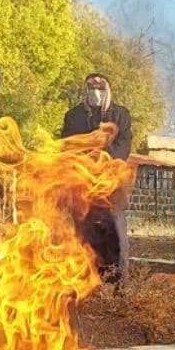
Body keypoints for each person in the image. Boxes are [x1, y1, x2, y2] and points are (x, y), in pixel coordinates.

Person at [60, 73, 134, 281]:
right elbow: (67, 146)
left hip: (111, 185)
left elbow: (124, 146)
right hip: (82, 185)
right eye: (91, 86)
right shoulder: (73, 116)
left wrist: (103, 157)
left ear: (108, 89)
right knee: (84, 234)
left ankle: (119, 285)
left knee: (116, 234)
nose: (95, 90)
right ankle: (88, 281)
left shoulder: (120, 115)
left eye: (100, 87)